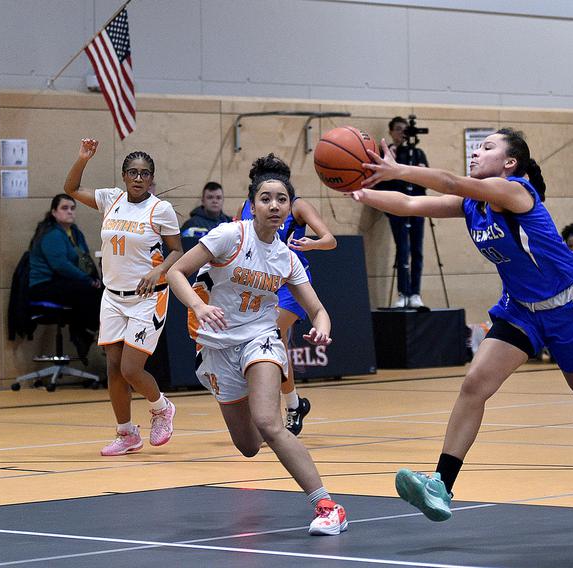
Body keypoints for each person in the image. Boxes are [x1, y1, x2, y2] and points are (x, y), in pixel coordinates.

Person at [353, 128, 573, 521]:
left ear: (509, 163)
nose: (476, 153)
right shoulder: (472, 204)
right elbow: (407, 205)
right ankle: (441, 486)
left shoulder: (517, 192)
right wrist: (360, 191)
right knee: (474, 384)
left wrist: (398, 167)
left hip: (569, 309)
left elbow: (449, 180)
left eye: (486, 148)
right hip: (520, 309)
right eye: (476, 147)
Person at [167, 154, 346, 536]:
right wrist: (199, 305)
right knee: (248, 445)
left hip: (260, 339)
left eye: (282, 199)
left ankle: (328, 506)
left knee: (268, 422)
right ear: (252, 204)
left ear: (288, 206)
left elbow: (318, 310)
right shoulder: (230, 236)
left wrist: (322, 328)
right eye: (266, 198)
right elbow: (175, 272)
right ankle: (264, 414)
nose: (275, 205)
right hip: (216, 348)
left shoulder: (287, 257)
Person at [63, 139, 182, 456]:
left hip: (147, 297)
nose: (139, 178)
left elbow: (177, 251)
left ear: (151, 178)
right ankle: (126, 433)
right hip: (112, 297)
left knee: (131, 369)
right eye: (133, 172)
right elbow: (71, 187)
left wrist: (159, 272)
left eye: (144, 173)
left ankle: (161, 408)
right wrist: (82, 157)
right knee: (113, 368)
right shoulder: (110, 199)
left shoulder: (161, 209)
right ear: (124, 176)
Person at [238, 168, 337, 435]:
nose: (273, 202)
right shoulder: (246, 208)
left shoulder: (297, 205)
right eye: (264, 192)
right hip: (262, 282)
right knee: (274, 345)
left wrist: (311, 244)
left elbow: (330, 240)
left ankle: (272, 407)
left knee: (269, 336)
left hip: (293, 283)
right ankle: (294, 404)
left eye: (279, 192)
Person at [28, 194, 103, 361]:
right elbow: (61, 266)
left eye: (72, 208)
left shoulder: (75, 233)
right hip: (44, 286)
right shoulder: (51, 234)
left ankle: (85, 331)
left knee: (102, 290)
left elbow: (85, 259)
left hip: (65, 284)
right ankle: (83, 332)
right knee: (87, 290)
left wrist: (94, 279)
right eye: (64, 208)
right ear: (54, 212)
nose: (70, 212)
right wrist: (88, 280)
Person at [377, 116, 429, 309]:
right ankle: (403, 292)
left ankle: (415, 292)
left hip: (418, 206)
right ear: (391, 131)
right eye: (398, 129)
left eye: (405, 130)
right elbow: (380, 183)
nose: (402, 133)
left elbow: (427, 180)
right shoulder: (387, 154)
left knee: (417, 250)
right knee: (403, 249)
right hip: (396, 208)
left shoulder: (417, 154)